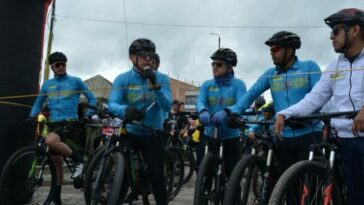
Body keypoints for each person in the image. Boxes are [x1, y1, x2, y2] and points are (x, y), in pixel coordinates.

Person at [274, 8, 364, 205]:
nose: (331, 36)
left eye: (336, 30)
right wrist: (284, 113)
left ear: (355, 30)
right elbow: (314, 99)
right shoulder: (334, 67)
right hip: (344, 140)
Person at [226, 31, 322, 173]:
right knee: (288, 189)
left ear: (289, 50)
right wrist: (234, 111)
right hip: (283, 136)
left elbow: (319, 97)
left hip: (309, 133)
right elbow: (252, 93)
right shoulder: (271, 74)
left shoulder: (309, 67)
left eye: (276, 49)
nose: (271, 52)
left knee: (310, 187)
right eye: (270, 49)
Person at [108, 38, 172, 205]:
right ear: (132, 57)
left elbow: (167, 106)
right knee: (121, 175)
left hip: (153, 133)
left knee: (157, 176)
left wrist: (156, 85)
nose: (148, 59)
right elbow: (112, 104)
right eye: (143, 55)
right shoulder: (123, 79)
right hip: (130, 132)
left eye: (151, 55)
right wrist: (125, 110)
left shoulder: (162, 78)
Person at [28, 51, 97, 205]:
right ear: (51, 67)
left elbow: (92, 98)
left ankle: (79, 161)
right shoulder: (47, 85)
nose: (61, 67)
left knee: (50, 141)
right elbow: (39, 103)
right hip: (53, 123)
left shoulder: (76, 81)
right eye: (57, 65)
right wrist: (32, 116)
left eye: (63, 64)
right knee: (56, 162)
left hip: (70, 122)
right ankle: (56, 198)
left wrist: (89, 114)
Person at [196, 48, 247, 177]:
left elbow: (241, 103)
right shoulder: (207, 85)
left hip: (231, 137)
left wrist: (226, 111)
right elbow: (200, 100)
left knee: (233, 177)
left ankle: (231, 196)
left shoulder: (239, 84)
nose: (214, 67)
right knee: (204, 173)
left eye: (219, 64)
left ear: (229, 67)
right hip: (210, 135)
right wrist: (202, 111)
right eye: (213, 64)